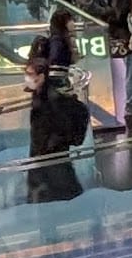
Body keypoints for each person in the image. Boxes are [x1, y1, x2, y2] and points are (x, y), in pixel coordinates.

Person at [25, 66, 90, 202]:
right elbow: (77, 140)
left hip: (47, 165)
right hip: (56, 163)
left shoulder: (43, 106)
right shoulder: (78, 109)